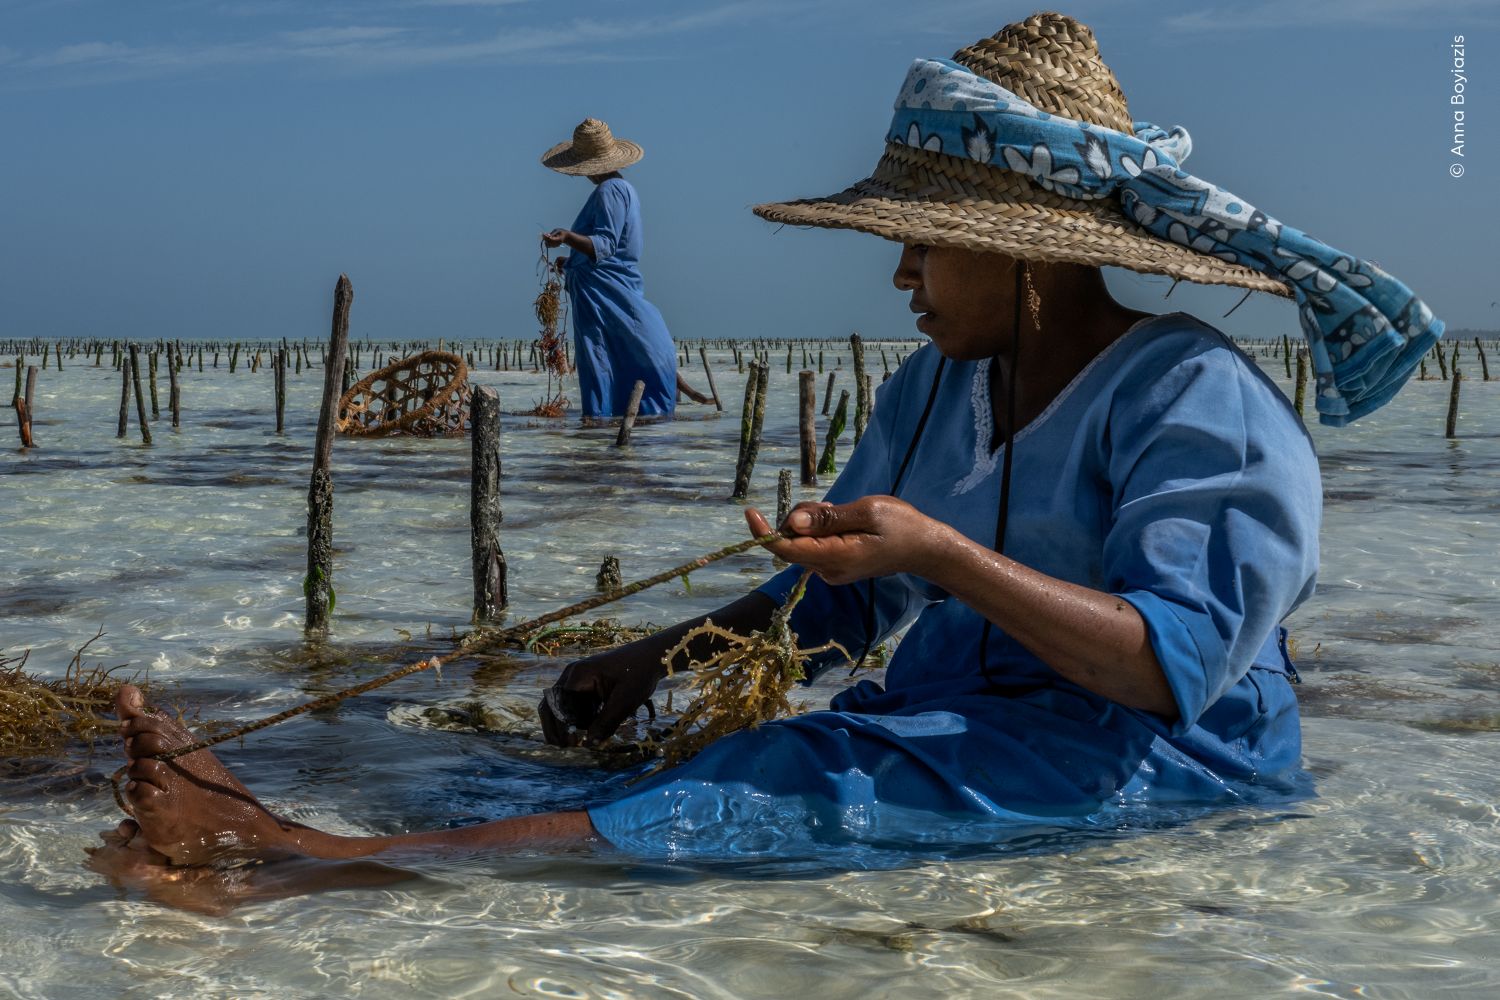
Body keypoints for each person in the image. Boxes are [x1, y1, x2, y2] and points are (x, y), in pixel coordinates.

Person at [91, 12, 1442, 898]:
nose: (902, 273)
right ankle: (378, 836)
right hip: (971, 729)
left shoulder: (1198, 401)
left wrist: (947, 559)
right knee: (569, 768)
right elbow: (848, 603)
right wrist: (652, 661)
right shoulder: (934, 388)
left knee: (781, 778)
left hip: (1157, 764)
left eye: (923, 241)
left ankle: (299, 864)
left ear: (1027, 257)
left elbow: (1165, 666)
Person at [540, 117, 679, 422]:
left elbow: (605, 245)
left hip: (602, 290)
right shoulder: (622, 189)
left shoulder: (609, 191)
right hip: (601, 285)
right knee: (605, 354)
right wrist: (572, 259)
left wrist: (566, 237)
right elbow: (606, 248)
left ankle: (599, 421)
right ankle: (607, 427)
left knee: (597, 356)